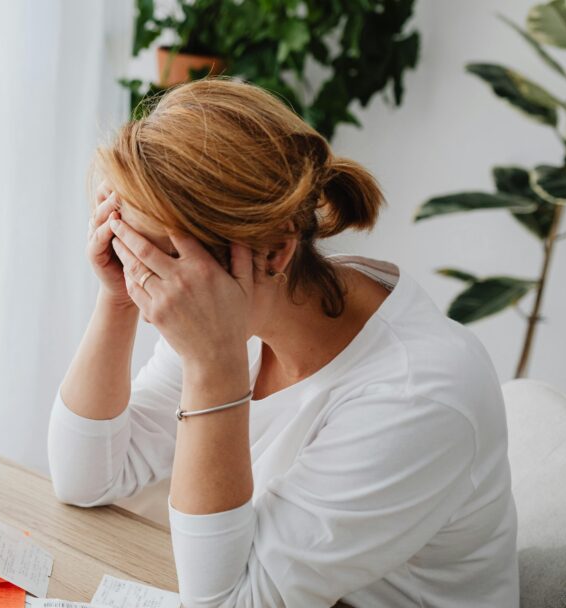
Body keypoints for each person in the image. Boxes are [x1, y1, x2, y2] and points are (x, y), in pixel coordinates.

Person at [48, 79, 518, 607]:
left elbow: (228, 603)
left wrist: (213, 365)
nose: (147, 286)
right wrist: (116, 302)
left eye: (158, 262)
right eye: (126, 246)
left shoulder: (419, 394)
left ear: (273, 254)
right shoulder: (251, 302)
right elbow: (84, 480)